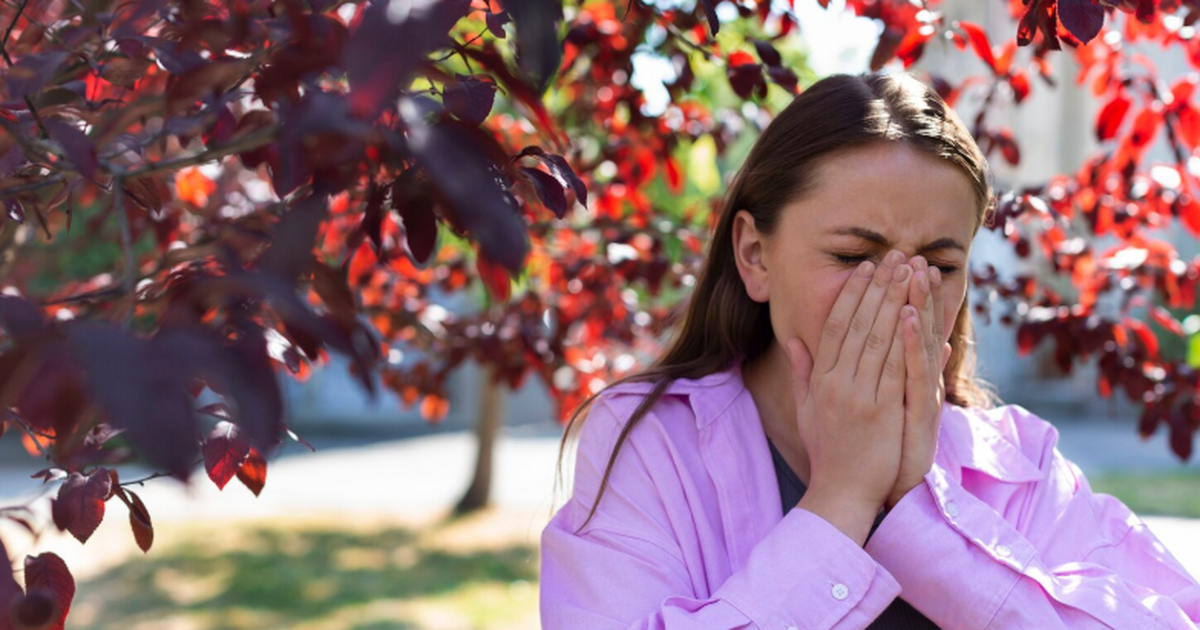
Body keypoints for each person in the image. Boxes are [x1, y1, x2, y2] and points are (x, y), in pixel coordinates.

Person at [539, 71, 1200, 629]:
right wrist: (842, 500)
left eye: (940, 265)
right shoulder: (650, 443)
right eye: (854, 256)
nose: (904, 294)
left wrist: (921, 515)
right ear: (754, 254)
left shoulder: (1018, 464)